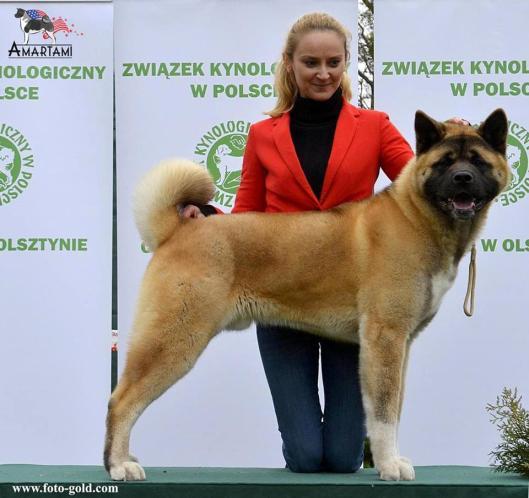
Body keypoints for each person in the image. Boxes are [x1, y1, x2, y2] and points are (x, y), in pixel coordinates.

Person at [183, 12, 414, 473]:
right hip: (281, 298)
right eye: (311, 62)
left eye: (333, 62)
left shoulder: (375, 125)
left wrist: (457, 141)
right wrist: (205, 216)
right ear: (290, 63)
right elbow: (248, 216)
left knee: (345, 457)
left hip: (352, 302)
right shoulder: (262, 135)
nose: (323, 72)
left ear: (347, 62)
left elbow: (419, 183)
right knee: (308, 457)